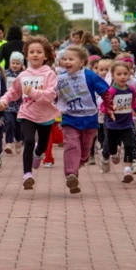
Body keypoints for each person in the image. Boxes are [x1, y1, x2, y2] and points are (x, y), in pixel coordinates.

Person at [0, 36, 60, 190]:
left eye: (39, 52)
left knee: (42, 145)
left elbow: (51, 95)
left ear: (45, 55)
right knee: (29, 141)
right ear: (26, 55)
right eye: (32, 52)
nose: (35, 54)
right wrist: (4, 101)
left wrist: (33, 92)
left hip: (46, 116)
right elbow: (13, 92)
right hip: (27, 114)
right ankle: (27, 175)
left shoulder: (49, 74)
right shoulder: (23, 75)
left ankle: (38, 154)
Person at [55, 45, 115, 193]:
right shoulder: (60, 79)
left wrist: (109, 108)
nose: (67, 62)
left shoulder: (89, 75)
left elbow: (105, 91)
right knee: (71, 144)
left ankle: (80, 162)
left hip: (89, 118)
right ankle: (71, 174)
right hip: (70, 117)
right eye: (64, 59)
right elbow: (52, 95)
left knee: (85, 150)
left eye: (71, 59)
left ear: (81, 62)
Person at [101, 61, 136, 181]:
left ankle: (127, 169)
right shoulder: (111, 91)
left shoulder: (131, 89)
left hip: (126, 123)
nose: (123, 76)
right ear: (113, 76)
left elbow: (133, 103)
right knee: (112, 147)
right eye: (119, 74)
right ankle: (115, 152)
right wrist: (110, 108)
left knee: (129, 145)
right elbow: (103, 107)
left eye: (125, 73)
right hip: (112, 125)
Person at [90, 58, 113, 166]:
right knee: (93, 134)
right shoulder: (93, 81)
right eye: (100, 69)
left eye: (107, 70)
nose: (104, 72)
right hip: (94, 112)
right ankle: (91, 155)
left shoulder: (113, 82)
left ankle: (105, 152)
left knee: (104, 134)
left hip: (107, 113)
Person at [3, 51, 24, 155]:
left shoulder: (24, 75)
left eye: (17, 63)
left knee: (18, 125)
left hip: (20, 105)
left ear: (21, 64)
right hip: (8, 104)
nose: (15, 65)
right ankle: (9, 143)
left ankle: (18, 141)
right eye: (13, 63)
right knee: (9, 122)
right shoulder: (5, 74)